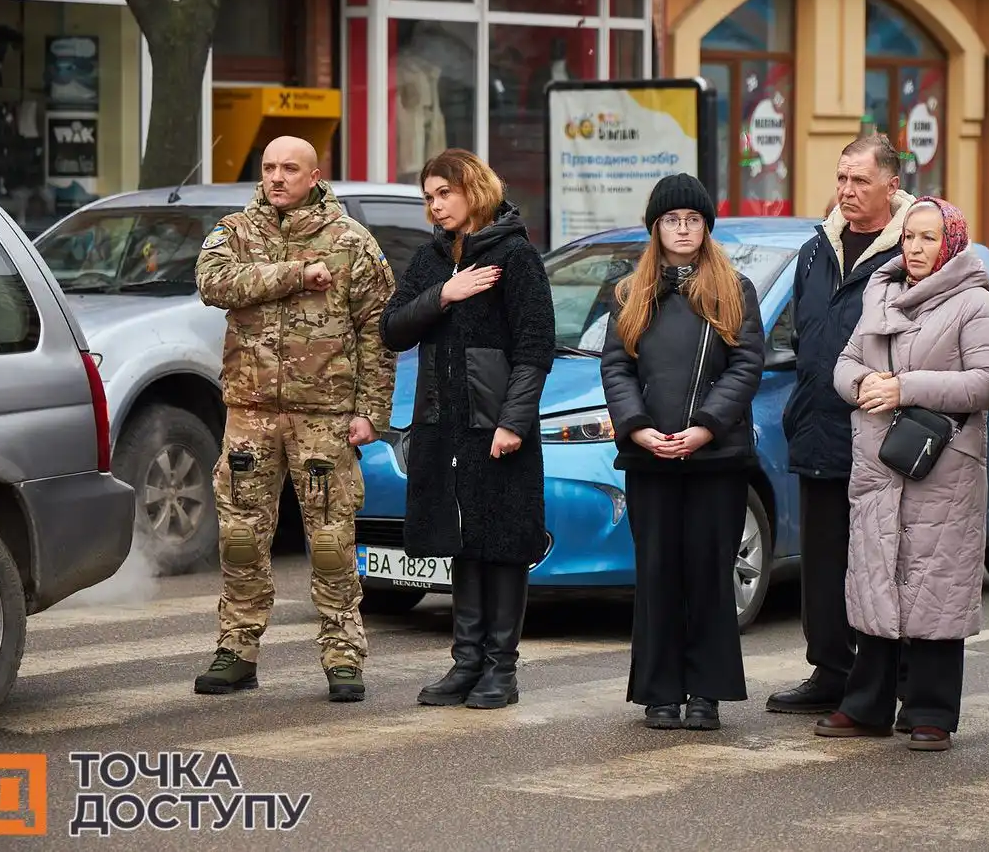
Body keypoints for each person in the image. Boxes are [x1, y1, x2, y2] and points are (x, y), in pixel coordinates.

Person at [193, 135, 397, 703]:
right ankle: (237, 650)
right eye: (268, 168)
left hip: (324, 417)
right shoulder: (235, 232)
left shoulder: (351, 241)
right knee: (239, 538)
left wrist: (371, 413)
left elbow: (378, 333)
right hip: (250, 412)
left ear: (314, 175)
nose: (277, 177)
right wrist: (292, 274)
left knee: (331, 541)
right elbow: (212, 283)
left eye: (289, 168)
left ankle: (343, 657)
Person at [820, 197, 989, 751]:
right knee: (877, 579)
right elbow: (846, 364)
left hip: (942, 466)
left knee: (936, 585)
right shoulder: (880, 292)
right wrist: (863, 387)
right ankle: (868, 704)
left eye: (928, 238)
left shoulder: (975, 303)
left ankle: (930, 712)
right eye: (908, 237)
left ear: (951, 242)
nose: (916, 248)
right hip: (880, 463)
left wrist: (906, 386)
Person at [380, 148, 556, 710]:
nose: (435, 206)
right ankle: (466, 664)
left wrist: (513, 422)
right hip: (443, 426)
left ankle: (500, 669)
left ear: (472, 190)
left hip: (497, 429)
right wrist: (445, 294)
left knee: (501, 544)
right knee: (461, 542)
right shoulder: (433, 260)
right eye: (428, 197)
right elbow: (393, 329)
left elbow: (534, 348)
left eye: (443, 194)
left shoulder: (515, 255)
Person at [599, 173, 764, 731]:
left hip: (715, 458)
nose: (684, 228)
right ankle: (659, 691)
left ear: (706, 227)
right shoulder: (629, 292)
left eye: (693, 219)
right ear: (656, 228)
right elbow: (617, 367)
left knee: (708, 573)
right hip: (651, 458)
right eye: (673, 220)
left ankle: (707, 693)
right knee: (658, 573)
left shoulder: (735, 289)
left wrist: (706, 428)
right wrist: (638, 427)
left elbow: (746, 365)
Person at [768, 133, 917, 717]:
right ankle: (830, 670)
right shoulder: (817, 248)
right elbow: (803, 332)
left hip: (883, 433)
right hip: (819, 427)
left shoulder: (912, 249)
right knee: (825, 561)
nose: (847, 191)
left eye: (860, 181)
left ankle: (896, 681)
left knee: (885, 563)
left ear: (891, 185)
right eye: (841, 179)